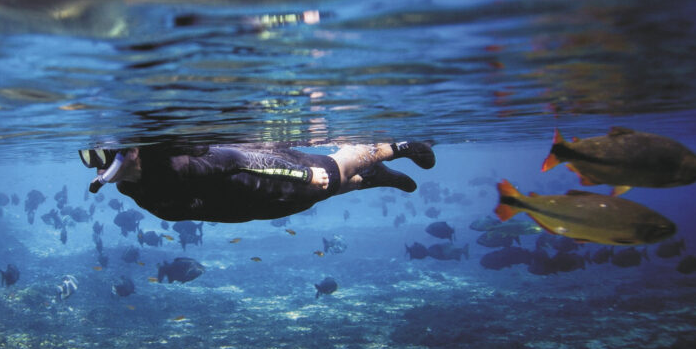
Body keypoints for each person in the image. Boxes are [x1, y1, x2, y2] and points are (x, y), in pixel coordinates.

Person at [80, 141, 435, 223]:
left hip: (271, 177)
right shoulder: (132, 187)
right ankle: (377, 177)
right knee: (326, 192)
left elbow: (240, 160)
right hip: (255, 204)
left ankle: (398, 148)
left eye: (100, 154)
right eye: (89, 158)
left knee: (337, 167)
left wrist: (302, 174)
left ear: (130, 152)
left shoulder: (175, 164)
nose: (95, 164)